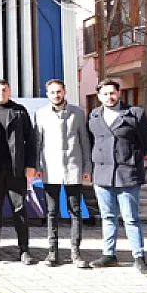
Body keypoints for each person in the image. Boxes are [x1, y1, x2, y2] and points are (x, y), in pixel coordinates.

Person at [87, 79, 147, 277]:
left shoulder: (135, 114)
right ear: (99, 96)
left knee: (131, 218)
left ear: (119, 93)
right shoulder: (94, 115)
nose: (109, 97)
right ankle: (109, 255)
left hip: (127, 173)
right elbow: (91, 142)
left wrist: (131, 158)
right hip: (102, 174)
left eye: (112, 93)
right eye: (105, 94)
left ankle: (139, 257)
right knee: (108, 217)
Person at [0, 79, 36, 264]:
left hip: (16, 170)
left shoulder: (20, 111)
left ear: (9, 92)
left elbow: (30, 140)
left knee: (20, 209)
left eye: (4, 89)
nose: (1, 93)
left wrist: (30, 165)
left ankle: (24, 250)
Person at [34, 79, 92, 268]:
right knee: (52, 212)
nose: (56, 95)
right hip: (50, 170)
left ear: (64, 92)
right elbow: (37, 143)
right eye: (52, 92)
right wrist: (37, 168)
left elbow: (85, 142)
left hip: (73, 169)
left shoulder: (78, 113)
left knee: (75, 211)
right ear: (47, 94)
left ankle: (76, 251)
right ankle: (52, 252)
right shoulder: (41, 114)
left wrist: (87, 168)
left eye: (59, 91)